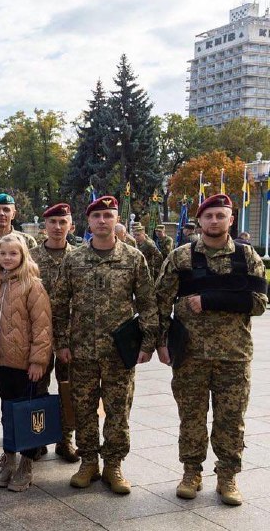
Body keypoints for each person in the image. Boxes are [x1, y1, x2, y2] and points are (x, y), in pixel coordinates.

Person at [155, 194, 267, 506]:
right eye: (209, 216)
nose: (214, 221)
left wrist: (210, 300)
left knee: (231, 419)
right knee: (191, 417)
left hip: (234, 355)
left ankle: (227, 476)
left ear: (231, 220)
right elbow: (160, 302)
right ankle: (191, 472)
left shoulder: (247, 257)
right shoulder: (181, 257)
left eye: (221, 215)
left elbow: (259, 303)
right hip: (189, 354)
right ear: (200, 221)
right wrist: (160, 342)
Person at [52, 196, 158, 495]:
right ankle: (88, 462)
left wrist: (148, 342)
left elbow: (147, 303)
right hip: (81, 349)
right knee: (83, 408)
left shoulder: (133, 258)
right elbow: (59, 303)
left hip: (119, 353)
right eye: (96, 216)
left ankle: (113, 464)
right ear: (88, 222)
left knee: (118, 410)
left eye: (108, 215)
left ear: (116, 220)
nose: (102, 221)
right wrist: (61, 342)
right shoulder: (74, 259)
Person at [0, 233, 52, 492]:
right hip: (3, 361)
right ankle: (9, 457)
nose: (7, 258)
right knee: (8, 412)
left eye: (13, 253)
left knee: (28, 413)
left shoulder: (32, 285)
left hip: (25, 364)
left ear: (23, 255)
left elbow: (42, 325)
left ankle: (27, 462)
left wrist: (38, 360)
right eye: (3, 253)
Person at [0, 192, 36, 450]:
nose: (1, 213)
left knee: (21, 386)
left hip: (15, 321)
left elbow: (33, 277)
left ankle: (27, 435)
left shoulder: (27, 241)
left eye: (6, 209)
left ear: (14, 213)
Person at [30, 203, 79, 462]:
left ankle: (65, 439)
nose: (58, 227)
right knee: (36, 387)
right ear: (44, 226)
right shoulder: (30, 257)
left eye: (63, 222)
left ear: (71, 226)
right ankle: (37, 437)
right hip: (36, 334)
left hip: (69, 335)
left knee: (68, 388)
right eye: (53, 222)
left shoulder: (80, 257)